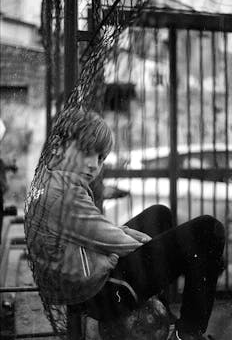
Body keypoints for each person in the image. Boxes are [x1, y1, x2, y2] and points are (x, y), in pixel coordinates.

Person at [24, 109, 225, 340]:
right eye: (85, 152)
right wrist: (168, 251)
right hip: (97, 295)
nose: (93, 165)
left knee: (159, 214)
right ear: (60, 146)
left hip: (79, 286)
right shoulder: (64, 195)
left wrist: (153, 245)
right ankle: (186, 334)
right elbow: (118, 243)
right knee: (208, 231)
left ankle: (161, 313)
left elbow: (97, 232)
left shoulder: (48, 179)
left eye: (100, 158)